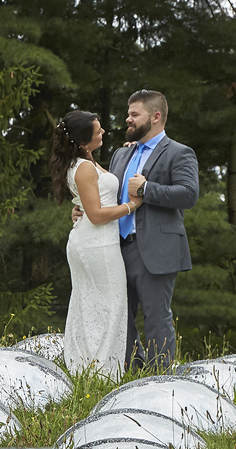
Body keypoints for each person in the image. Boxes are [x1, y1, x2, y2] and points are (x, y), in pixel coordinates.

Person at [73, 90, 198, 369]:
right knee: (119, 317)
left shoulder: (179, 152)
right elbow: (110, 195)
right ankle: (132, 374)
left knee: (156, 317)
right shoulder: (121, 153)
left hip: (155, 248)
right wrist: (84, 208)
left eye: (134, 114)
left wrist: (146, 189)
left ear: (155, 117)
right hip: (116, 247)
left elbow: (189, 194)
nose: (127, 119)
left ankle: (160, 380)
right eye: (128, 113)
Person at [51, 110, 141, 378]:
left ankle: (86, 368)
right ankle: (102, 372)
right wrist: (131, 206)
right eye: (97, 131)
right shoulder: (86, 167)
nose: (103, 133)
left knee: (90, 305)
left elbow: (89, 202)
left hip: (89, 242)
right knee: (110, 308)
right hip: (98, 245)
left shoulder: (85, 161)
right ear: (82, 141)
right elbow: (97, 215)